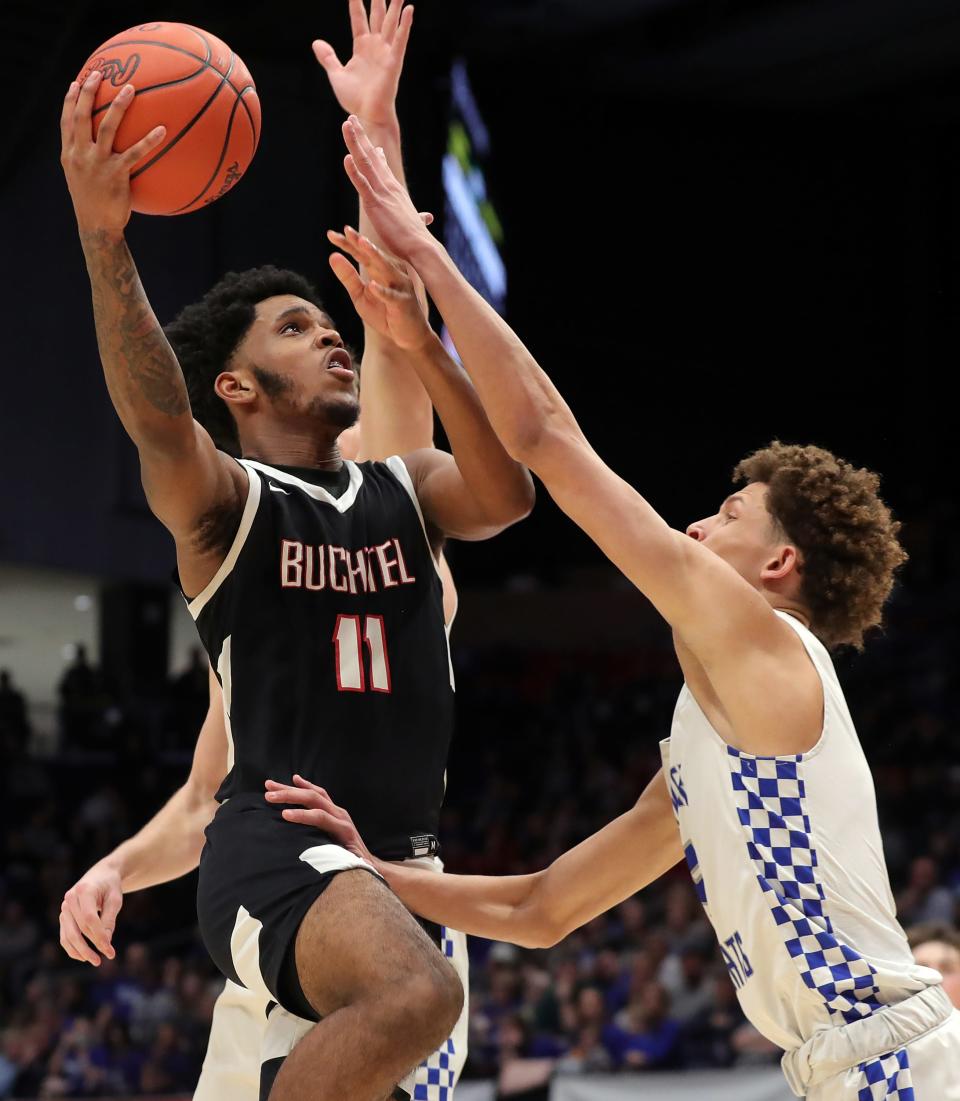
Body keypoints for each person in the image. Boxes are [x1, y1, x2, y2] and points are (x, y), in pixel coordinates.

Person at [272, 115, 960, 1100]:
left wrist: (426, 263)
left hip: (892, 1063)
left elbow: (546, 436)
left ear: (779, 565)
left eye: (728, 514)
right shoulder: (709, 737)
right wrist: (367, 872)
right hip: (848, 1067)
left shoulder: (769, 648)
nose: (694, 526)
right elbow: (545, 906)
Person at [58, 8, 535, 1098]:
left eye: (329, 325)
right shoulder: (234, 510)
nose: (327, 331)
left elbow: (419, 356)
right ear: (237, 388)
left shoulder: (401, 490)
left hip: (399, 883)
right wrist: (102, 239)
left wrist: (378, 139)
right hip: (287, 864)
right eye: (291, 327)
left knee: (411, 993)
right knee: (415, 995)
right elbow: (156, 421)